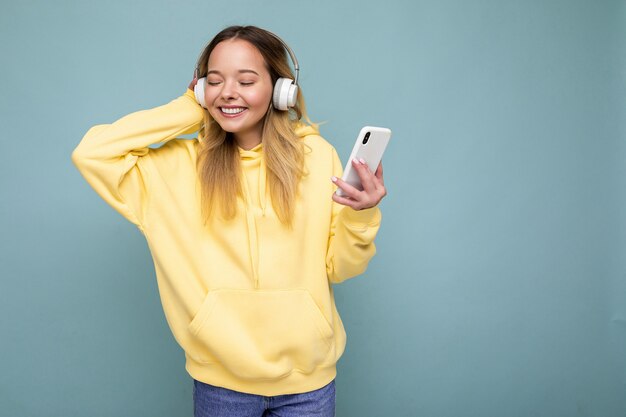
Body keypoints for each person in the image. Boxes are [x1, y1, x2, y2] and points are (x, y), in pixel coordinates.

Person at [71, 25, 386, 417]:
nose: (228, 92)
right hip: (222, 385)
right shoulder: (175, 168)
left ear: (280, 88)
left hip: (309, 384)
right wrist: (188, 106)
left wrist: (362, 213)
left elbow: (343, 267)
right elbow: (92, 153)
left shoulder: (316, 157)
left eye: (247, 80)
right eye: (214, 82)